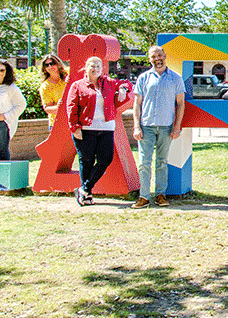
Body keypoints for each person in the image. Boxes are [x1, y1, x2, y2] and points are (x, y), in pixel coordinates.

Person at [65, 56, 132, 206]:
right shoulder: (77, 85)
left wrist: (122, 89)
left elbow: (127, 83)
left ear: (102, 69)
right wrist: (74, 127)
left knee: (105, 160)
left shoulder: (108, 83)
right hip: (86, 128)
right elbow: (71, 107)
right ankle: (86, 195)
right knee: (87, 161)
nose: (95, 69)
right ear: (86, 68)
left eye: (98, 67)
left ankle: (84, 189)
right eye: (92, 66)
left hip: (106, 128)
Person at [132, 45, 185, 209]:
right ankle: (144, 196)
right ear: (149, 59)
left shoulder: (175, 78)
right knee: (144, 163)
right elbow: (137, 104)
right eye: (153, 56)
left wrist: (177, 126)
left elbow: (181, 103)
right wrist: (136, 126)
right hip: (146, 126)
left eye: (159, 55)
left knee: (162, 162)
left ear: (165, 56)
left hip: (166, 127)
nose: (157, 59)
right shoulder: (143, 78)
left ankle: (160, 195)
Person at [0, 59, 27, 160]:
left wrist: (5, 116)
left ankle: (6, 172)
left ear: (7, 71)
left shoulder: (11, 88)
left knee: (3, 153)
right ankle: (0, 167)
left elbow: (21, 104)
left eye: (2, 70)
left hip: (0, 124)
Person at [39, 54, 69, 128]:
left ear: (58, 64)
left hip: (73, 121)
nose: (50, 67)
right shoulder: (45, 86)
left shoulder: (68, 75)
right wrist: (58, 107)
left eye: (52, 63)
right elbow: (47, 108)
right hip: (56, 123)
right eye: (46, 65)